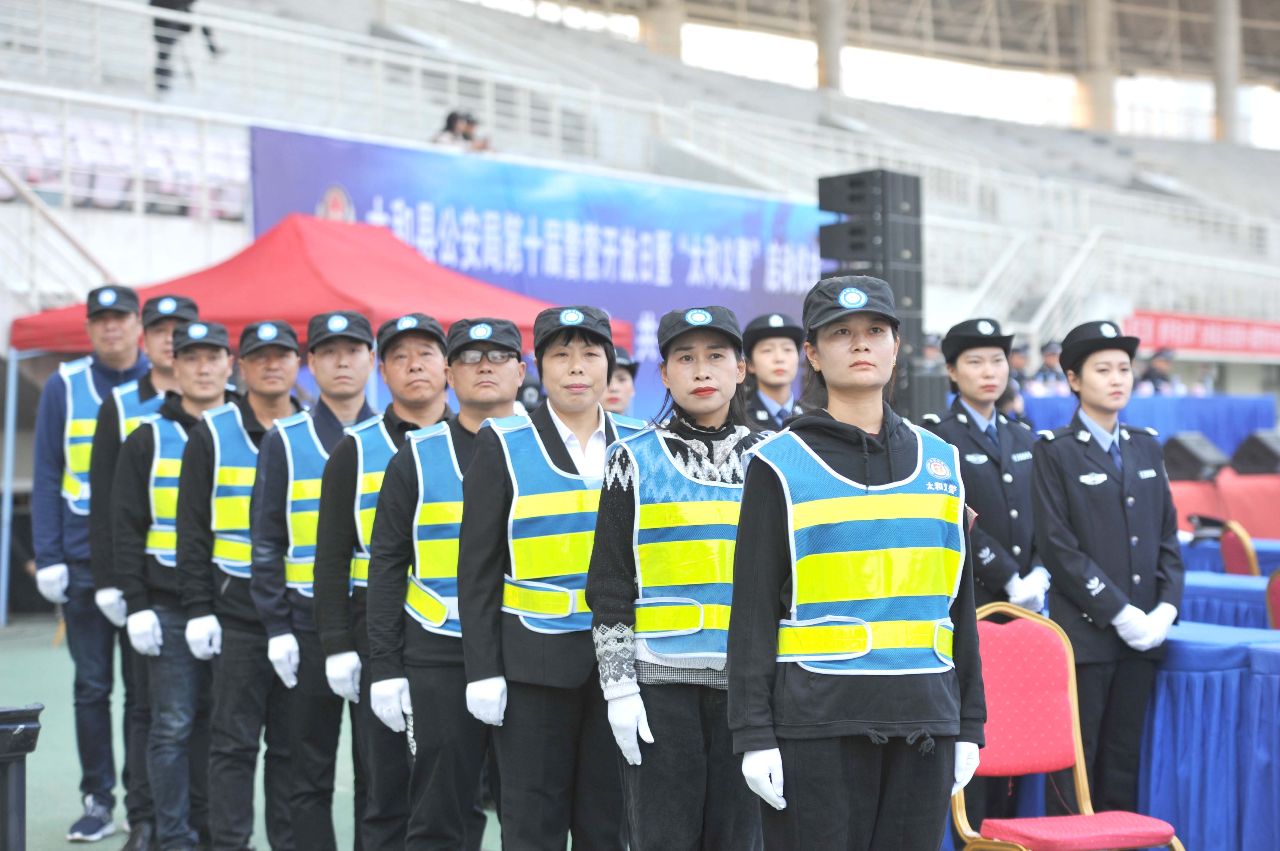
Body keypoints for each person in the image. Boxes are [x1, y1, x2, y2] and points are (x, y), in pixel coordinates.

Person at [728, 276, 986, 851]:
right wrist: (752, 733)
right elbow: (750, 610)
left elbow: (960, 601)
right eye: (841, 333)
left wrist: (971, 723)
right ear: (814, 355)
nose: (860, 344)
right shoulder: (778, 464)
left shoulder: (942, 461)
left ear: (896, 348)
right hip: (816, 722)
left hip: (924, 720)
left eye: (875, 331)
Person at [457, 306, 645, 850]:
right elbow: (477, 569)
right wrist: (482, 670)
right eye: (560, 355)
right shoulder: (504, 441)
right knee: (532, 822)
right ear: (538, 366)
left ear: (609, 366)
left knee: (609, 821)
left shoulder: (639, 442)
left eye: (590, 354)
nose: (576, 367)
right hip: (532, 668)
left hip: (621, 670)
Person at [587, 306, 764, 850]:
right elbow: (611, 582)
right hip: (659, 693)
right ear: (664, 374)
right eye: (685, 359)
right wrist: (619, 688)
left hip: (749, 693)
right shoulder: (630, 460)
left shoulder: (776, 460)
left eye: (716, 357)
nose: (701, 370)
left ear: (741, 368)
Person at [367, 317, 527, 850]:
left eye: (499, 356)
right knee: (440, 812)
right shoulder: (415, 455)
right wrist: (386, 666)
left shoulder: (550, 450)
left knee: (530, 810)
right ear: (449, 376)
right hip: (440, 654)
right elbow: (386, 565)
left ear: (523, 372)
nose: (485, 366)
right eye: (470, 358)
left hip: (529, 650)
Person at [1032, 320, 1184, 815]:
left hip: (1143, 638)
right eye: (1103, 369)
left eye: (1124, 368)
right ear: (1074, 379)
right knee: (1078, 763)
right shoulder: (1054, 450)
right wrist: (1119, 611)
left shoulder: (1146, 445)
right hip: (1088, 637)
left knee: (1123, 763)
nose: (1118, 378)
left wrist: (1165, 608)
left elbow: (1166, 537)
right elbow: (1058, 547)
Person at [313, 314, 452, 850]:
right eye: (400, 356)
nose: (415, 364)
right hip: (379, 637)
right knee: (384, 787)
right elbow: (331, 558)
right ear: (382, 371)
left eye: (426, 353)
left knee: (455, 790)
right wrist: (337, 646)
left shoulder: (482, 441)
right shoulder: (355, 448)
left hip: (455, 636)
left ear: (447, 366)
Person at [250, 311, 376, 851]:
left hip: (378, 629)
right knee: (304, 769)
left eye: (353, 350)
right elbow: (266, 539)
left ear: (372, 359)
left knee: (381, 775)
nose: (342, 361)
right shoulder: (285, 439)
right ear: (310, 364)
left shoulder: (398, 437)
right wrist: (275, 624)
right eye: (328, 352)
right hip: (305, 628)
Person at [175, 321, 302, 851]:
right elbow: (192, 529)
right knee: (232, 744)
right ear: (240, 367)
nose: (272, 365)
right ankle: (230, 843)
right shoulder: (213, 430)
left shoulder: (317, 430)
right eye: (259, 357)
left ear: (299, 364)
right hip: (237, 616)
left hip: (303, 616)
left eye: (282, 356)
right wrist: (199, 607)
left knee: (294, 749)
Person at [31, 284, 151, 843]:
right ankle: (97, 798)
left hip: (145, 562)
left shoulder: (161, 381)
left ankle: (141, 797)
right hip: (80, 561)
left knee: (145, 691)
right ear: (89, 328)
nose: (110, 328)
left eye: (120, 318)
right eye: (100, 319)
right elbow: (49, 471)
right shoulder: (65, 384)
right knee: (92, 686)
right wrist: (49, 554)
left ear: (138, 325)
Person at [115, 320, 238, 851]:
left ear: (229, 364)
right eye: (192, 358)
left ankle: (212, 831)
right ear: (173, 366)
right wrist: (135, 602)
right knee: (171, 725)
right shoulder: (147, 435)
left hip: (234, 606)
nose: (204, 367)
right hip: (167, 606)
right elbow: (123, 524)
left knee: (223, 730)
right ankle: (174, 837)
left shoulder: (248, 432)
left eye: (213, 357)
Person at [922, 317, 1046, 829]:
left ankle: (1010, 829)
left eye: (996, 360)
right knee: (975, 734)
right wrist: (1009, 572)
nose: (989, 371)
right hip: (973, 604)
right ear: (952, 371)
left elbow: (1041, 511)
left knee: (1020, 729)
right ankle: (973, 834)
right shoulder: (938, 437)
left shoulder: (1021, 434)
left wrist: (1039, 570)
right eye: (974, 361)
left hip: (1026, 608)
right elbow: (952, 513)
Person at [86, 293, 197, 850]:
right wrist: (112, 583)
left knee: (194, 716)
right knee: (143, 704)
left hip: (206, 589)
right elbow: (108, 502)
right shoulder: (124, 404)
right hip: (145, 587)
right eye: (161, 330)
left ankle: (187, 818)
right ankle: (145, 815)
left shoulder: (225, 405)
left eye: (183, 330)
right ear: (143, 339)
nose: (172, 339)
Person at [742, 312, 804, 430]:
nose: (779, 358)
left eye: (787, 349)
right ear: (750, 364)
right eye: (767, 350)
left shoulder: (814, 417)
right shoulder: (739, 420)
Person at [604, 346, 638, 415]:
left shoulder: (644, 426)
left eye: (621, 379)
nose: (613, 388)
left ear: (633, 388)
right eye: (606, 379)